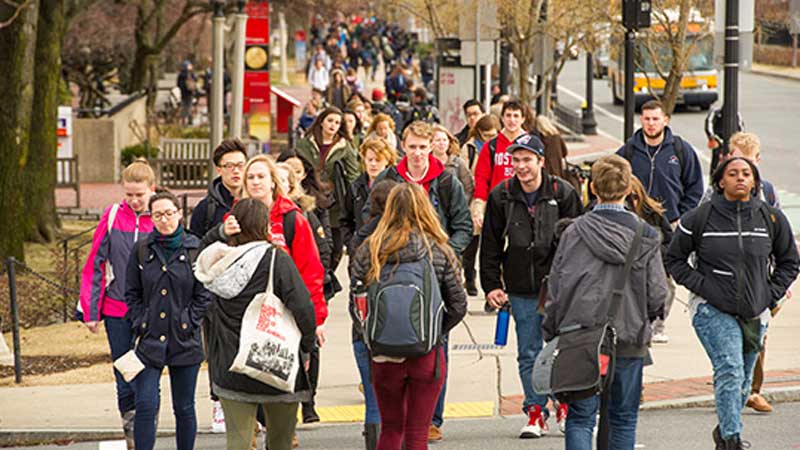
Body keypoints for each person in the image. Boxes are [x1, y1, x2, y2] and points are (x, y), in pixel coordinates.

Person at [665, 157, 799, 449]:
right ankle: (732, 440)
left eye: (746, 174)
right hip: (711, 309)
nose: (740, 178)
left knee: (743, 381)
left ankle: (725, 428)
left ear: (754, 181)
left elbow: (790, 262)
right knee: (730, 368)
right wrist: (704, 286)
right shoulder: (699, 218)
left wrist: (771, 293)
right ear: (720, 181)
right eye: (733, 173)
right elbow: (674, 259)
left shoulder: (771, 218)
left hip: (756, 310)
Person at [543, 155, 668, 450]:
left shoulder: (573, 231)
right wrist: (646, 319)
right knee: (623, 418)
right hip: (629, 334)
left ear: (592, 189)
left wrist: (551, 329)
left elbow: (557, 288)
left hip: (580, 333)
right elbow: (657, 291)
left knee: (580, 418)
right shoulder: (645, 234)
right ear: (628, 190)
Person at [349, 183, 468, 450]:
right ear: (425, 210)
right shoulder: (438, 249)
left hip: (383, 354)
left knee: (390, 429)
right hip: (426, 353)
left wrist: (373, 336)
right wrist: (434, 331)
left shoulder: (369, 251)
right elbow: (458, 304)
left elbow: (356, 305)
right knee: (417, 433)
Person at [480, 134, 583, 438]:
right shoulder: (502, 195)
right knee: (529, 352)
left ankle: (564, 404)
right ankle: (536, 411)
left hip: (560, 288)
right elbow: (490, 243)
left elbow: (580, 240)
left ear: (540, 161)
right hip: (521, 287)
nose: (521, 166)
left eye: (527, 160)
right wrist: (491, 284)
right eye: (516, 160)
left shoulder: (562, 193)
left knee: (562, 350)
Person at [194, 199, 318, 450]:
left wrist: (218, 233)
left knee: (238, 443)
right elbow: (303, 307)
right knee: (281, 441)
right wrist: (307, 346)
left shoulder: (216, 263)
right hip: (275, 360)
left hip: (230, 365)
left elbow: (197, 252)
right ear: (265, 226)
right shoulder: (275, 259)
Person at [125, 191, 212, 450]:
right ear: (151, 218)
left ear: (179, 214)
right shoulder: (141, 249)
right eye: (158, 215)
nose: (164, 220)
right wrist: (141, 320)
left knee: (184, 407)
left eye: (169, 213)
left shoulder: (196, 248)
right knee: (146, 404)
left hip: (185, 339)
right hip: (150, 339)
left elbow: (205, 293)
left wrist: (190, 320)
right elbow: (131, 293)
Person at [79, 159, 156, 450]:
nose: (134, 201)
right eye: (129, 195)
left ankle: (146, 432)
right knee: (124, 374)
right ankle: (131, 435)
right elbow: (95, 264)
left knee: (148, 377)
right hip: (116, 309)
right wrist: (91, 311)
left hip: (150, 312)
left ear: (152, 189)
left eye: (140, 194)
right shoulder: (113, 216)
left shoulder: (161, 217)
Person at [365, 121, 473, 256]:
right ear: (403, 146)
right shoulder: (387, 178)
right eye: (412, 147)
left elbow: (464, 226)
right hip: (393, 259)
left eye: (422, 147)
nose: (417, 153)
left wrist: (446, 253)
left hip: (436, 261)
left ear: (431, 146)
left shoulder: (447, 182)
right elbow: (368, 217)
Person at [616, 99, 704, 226]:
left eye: (655, 119)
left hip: (672, 222)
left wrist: (682, 216)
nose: (651, 123)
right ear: (641, 120)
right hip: (636, 223)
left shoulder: (681, 149)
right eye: (647, 119)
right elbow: (614, 183)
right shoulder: (628, 151)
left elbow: (695, 187)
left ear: (665, 120)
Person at [295, 107, 361, 273]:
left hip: (334, 203)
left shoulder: (344, 147)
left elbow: (353, 175)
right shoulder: (305, 143)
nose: (333, 125)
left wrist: (354, 200)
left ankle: (326, 278)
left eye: (338, 123)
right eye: (330, 121)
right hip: (308, 198)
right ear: (321, 121)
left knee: (335, 248)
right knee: (312, 243)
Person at [459, 114, 500, 296]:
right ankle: (469, 275)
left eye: (493, 135)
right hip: (476, 198)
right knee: (472, 242)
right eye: (486, 135)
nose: (490, 139)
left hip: (496, 197)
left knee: (493, 243)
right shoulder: (469, 147)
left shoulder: (500, 147)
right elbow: (464, 174)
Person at [341, 138, 398, 254]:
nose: (373, 164)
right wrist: (352, 244)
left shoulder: (396, 186)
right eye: (369, 159)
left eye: (378, 160)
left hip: (388, 249)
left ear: (387, 161)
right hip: (360, 250)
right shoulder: (355, 187)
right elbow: (345, 219)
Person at [190, 139, 247, 238]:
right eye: (230, 166)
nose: (236, 171)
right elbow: (196, 246)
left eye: (240, 165)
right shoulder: (206, 208)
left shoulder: (257, 201)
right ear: (219, 170)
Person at [704, 104, 744, 179]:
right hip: (718, 138)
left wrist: (739, 140)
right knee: (716, 157)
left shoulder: (736, 114)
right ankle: (713, 177)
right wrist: (714, 138)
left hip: (732, 140)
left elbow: (741, 128)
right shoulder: (715, 113)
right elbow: (708, 125)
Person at [177, 60, 198, 126]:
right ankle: (188, 120)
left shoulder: (181, 74)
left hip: (183, 93)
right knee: (188, 106)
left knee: (184, 106)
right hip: (189, 92)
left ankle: (184, 120)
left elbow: (178, 84)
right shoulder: (190, 74)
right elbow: (195, 79)